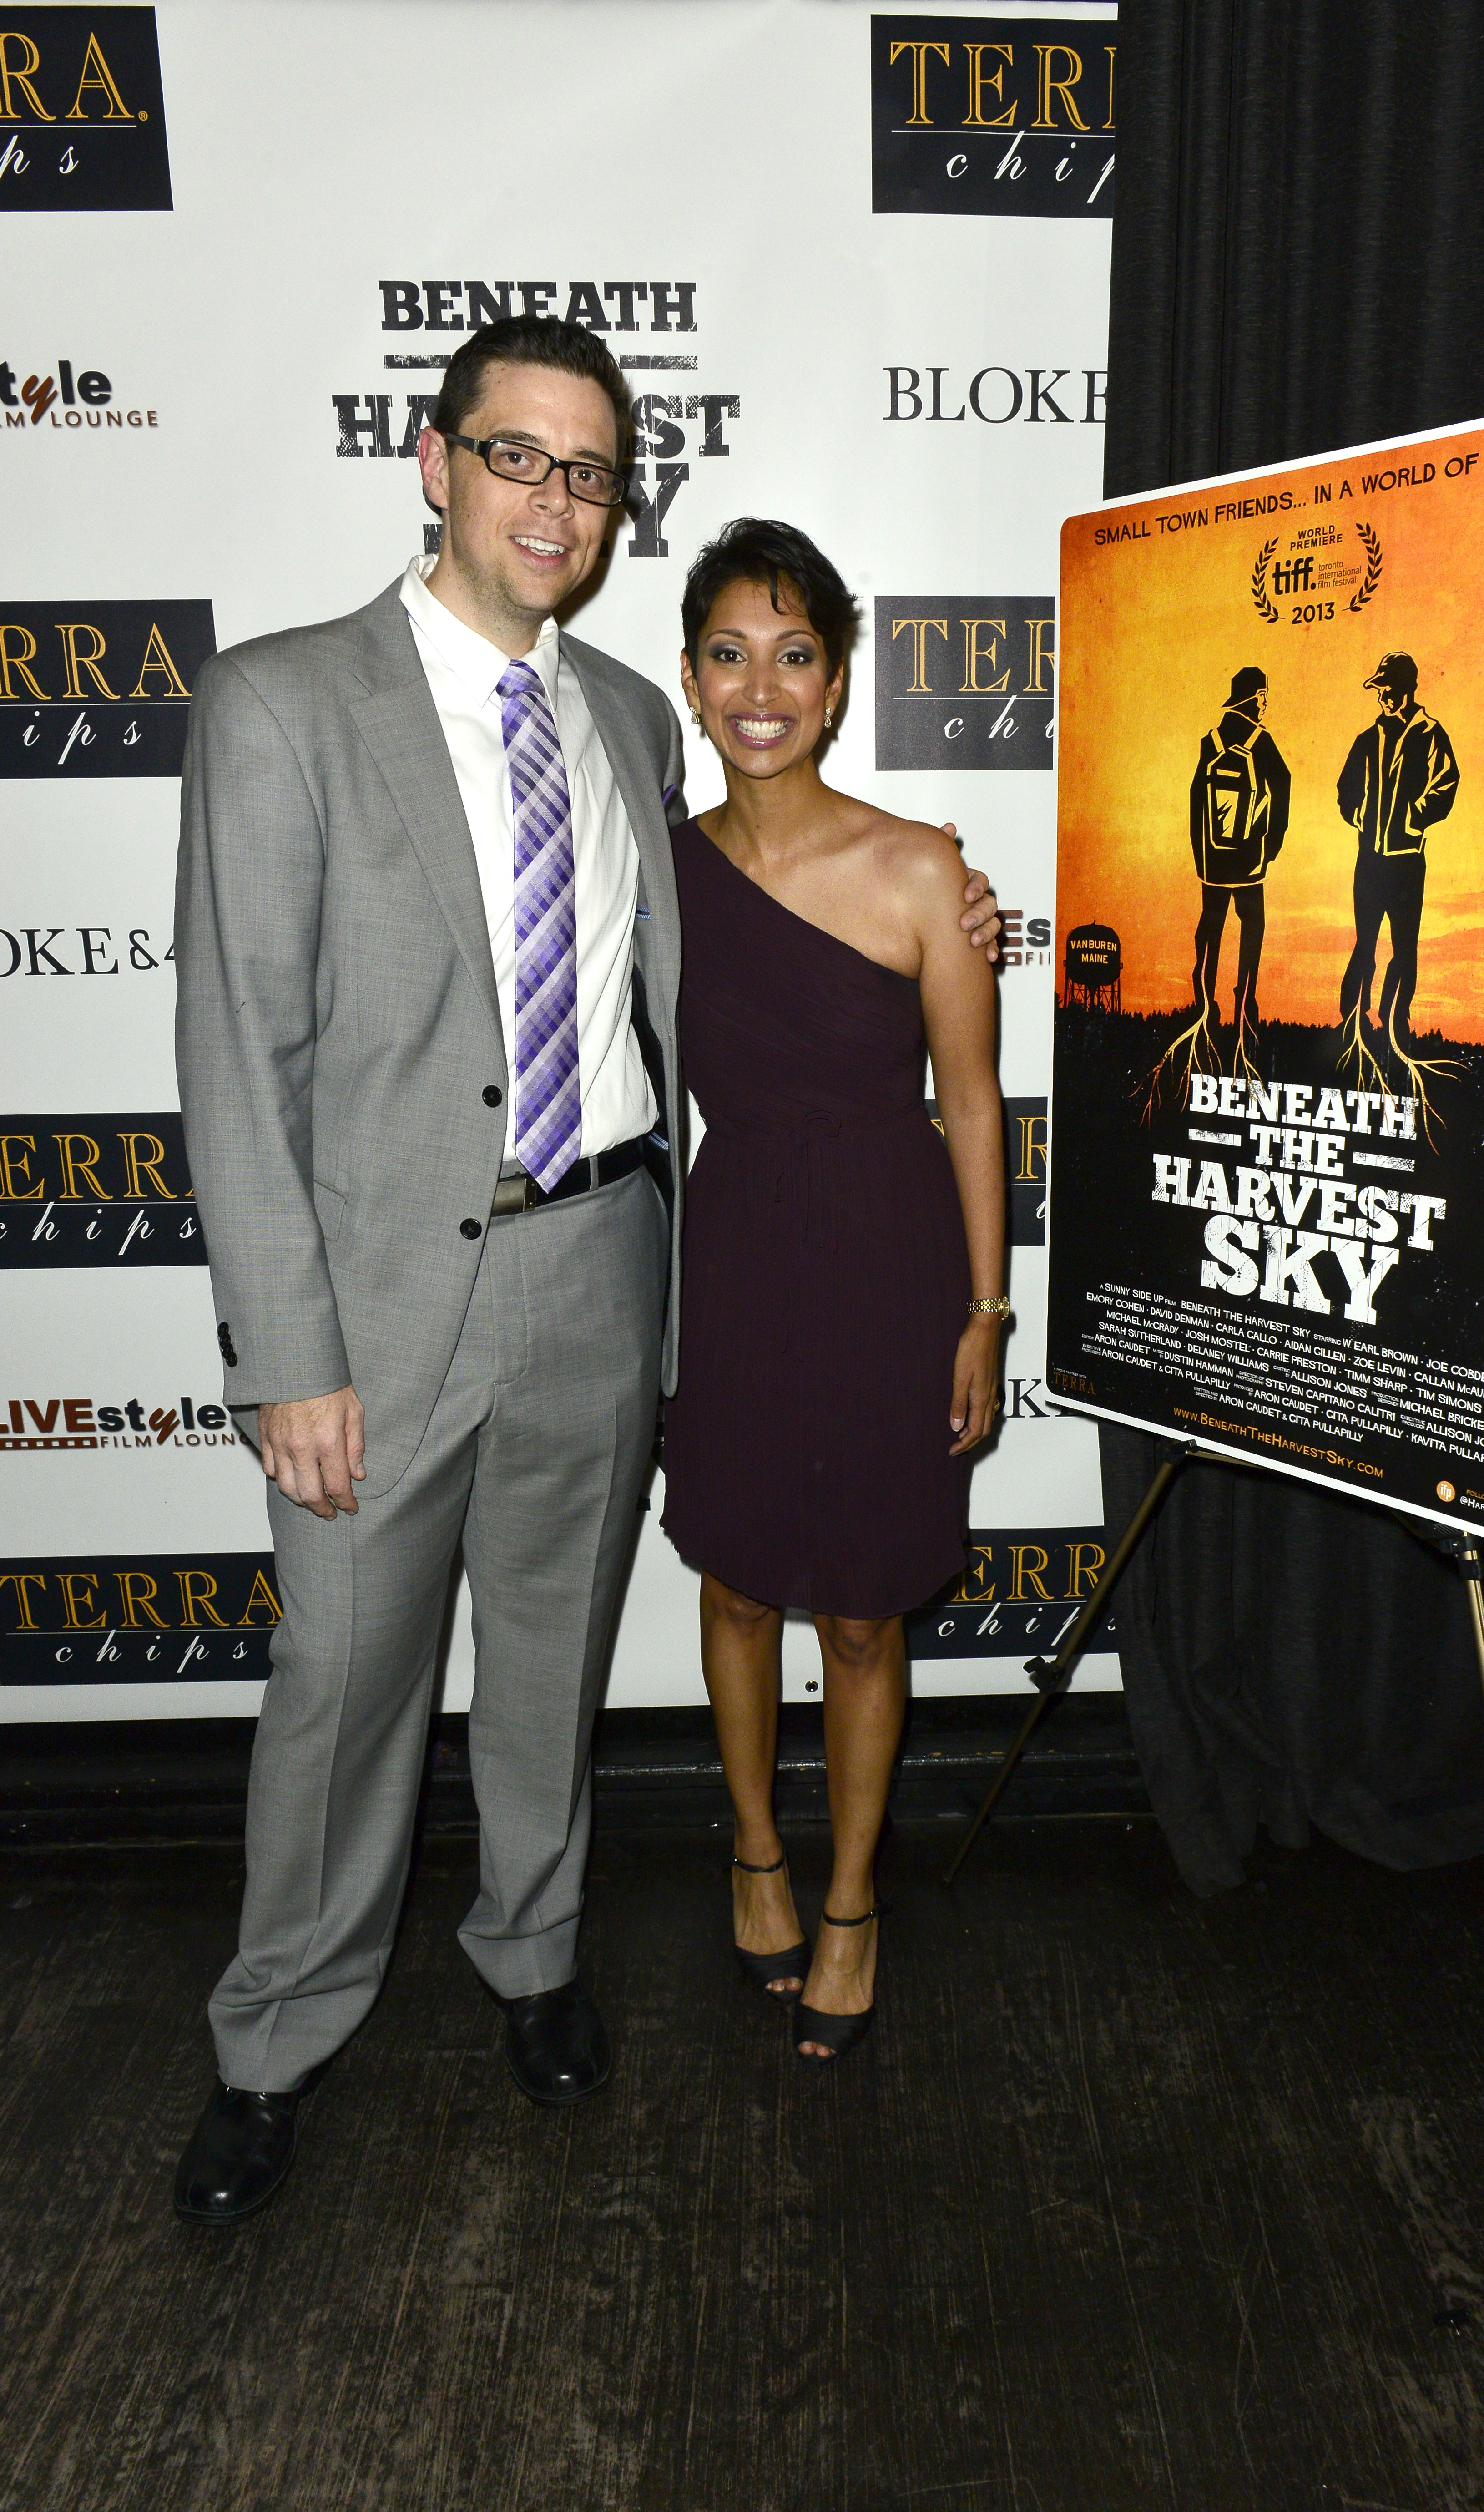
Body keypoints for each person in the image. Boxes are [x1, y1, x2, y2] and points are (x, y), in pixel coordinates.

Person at [171, 319, 1002, 2221]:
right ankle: (276, 2036)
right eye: (521, 458)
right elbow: (237, 1054)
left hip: (612, 1268)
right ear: (433, 460)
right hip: (374, 1308)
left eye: (594, 472)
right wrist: (284, 1350)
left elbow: (773, 934)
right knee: (347, 1689)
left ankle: (533, 1961)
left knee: (545, 1673)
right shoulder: (281, 703)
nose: (559, 501)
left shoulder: (633, 717)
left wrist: (953, 908)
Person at [659, 520, 1009, 2063]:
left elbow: (980, 1105)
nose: (761, 686)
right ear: (689, 679)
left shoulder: (923, 869)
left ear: (840, 681)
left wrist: (987, 1314)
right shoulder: (660, 874)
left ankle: (855, 1900)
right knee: (735, 1586)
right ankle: (756, 1857)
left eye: (793, 655)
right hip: (729, 1253)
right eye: (729, 653)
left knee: (864, 1616)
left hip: (888, 1256)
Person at [1336, 652, 1459, 1052]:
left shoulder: (1431, 734)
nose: (1382, 698)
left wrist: (1414, 819)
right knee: (1364, 944)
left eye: (1387, 690)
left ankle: (1396, 1024)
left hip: (1408, 862)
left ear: (1407, 688)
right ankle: (1353, 1023)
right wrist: (1358, 816)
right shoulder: (1367, 739)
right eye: (1379, 691)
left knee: (1405, 947)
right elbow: (1345, 790)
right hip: (1369, 861)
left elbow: (1446, 784)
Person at [1187, 665, 1289, 1043]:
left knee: (1210, 931)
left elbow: (1197, 801)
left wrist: (1202, 858)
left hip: (1213, 863)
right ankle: (1245, 1010)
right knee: (1253, 930)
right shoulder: (1260, 741)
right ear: (1252, 699)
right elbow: (1284, 783)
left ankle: (1203, 1009)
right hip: (1250, 864)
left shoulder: (1209, 741)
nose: (1266, 705)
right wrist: (1272, 845)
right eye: (1263, 697)